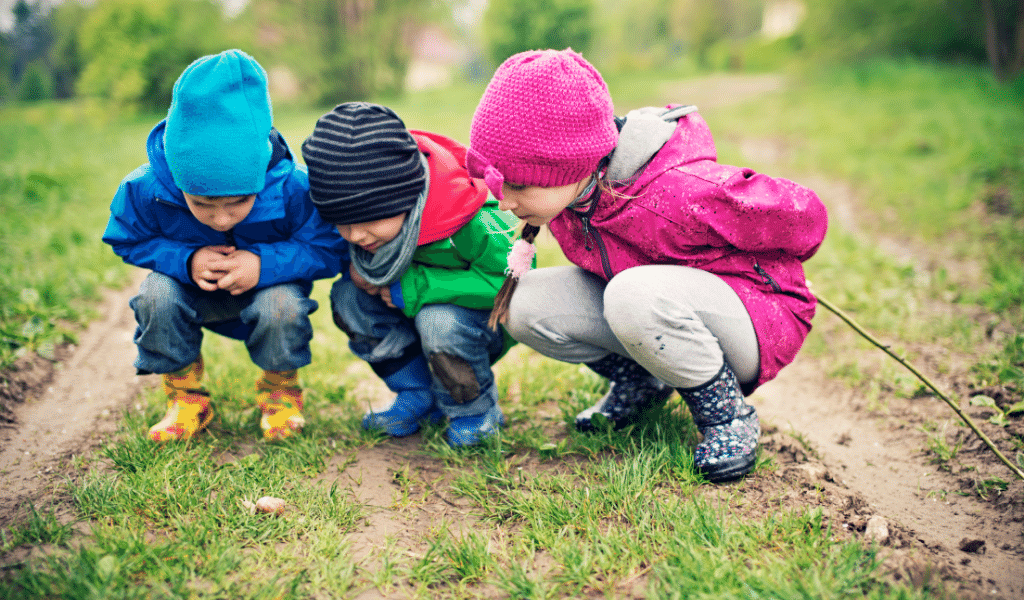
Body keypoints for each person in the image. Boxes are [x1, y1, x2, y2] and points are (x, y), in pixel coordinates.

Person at [466, 49, 828, 482]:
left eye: (519, 184)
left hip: (755, 318)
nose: (504, 201)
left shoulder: (677, 192)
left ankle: (728, 416)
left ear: (571, 164)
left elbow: (806, 216)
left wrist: (767, 263)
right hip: (656, 310)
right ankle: (643, 383)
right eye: (499, 183)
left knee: (631, 293)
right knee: (523, 304)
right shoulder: (571, 199)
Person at [103, 49, 347, 442]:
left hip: (269, 290)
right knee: (155, 295)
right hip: (189, 290)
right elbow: (127, 237)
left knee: (281, 305)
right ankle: (185, 399)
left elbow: (328, 247)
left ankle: (280, 394)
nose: (221, 218)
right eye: (201, 204)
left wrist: (263, 264)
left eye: (238, 202)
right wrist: (186, 259)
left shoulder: (293, 187)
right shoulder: (146, 188)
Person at [301, 102, 519, 447]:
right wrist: (356, 269)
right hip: (412, 319)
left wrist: (417, 285)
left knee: (438, 321)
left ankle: (475, 410)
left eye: (369, 220)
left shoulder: (471, 215)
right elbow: (321, 247)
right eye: (343, 223)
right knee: (348, 297)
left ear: (405, 197)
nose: (356, 235)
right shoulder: (363, 226)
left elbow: (511, 285)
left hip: (475, 325)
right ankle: (417, 394)